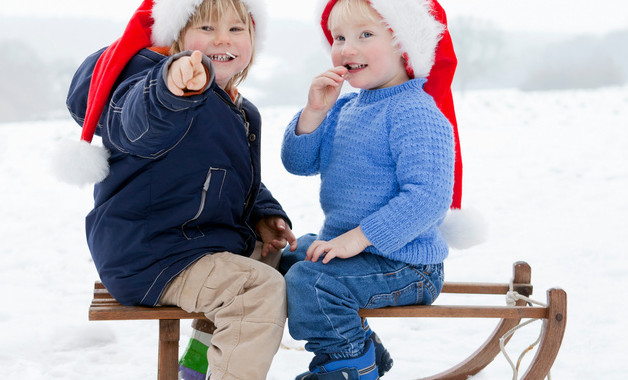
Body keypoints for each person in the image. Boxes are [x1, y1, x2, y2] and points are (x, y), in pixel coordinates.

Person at [60, 0, 296, 379]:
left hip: (196, 244)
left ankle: (199, 365)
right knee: (257, 290)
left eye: (236, 30)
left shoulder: (240, 110)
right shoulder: (161, 91)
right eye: (206, 29)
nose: (223, 39)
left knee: (273, 261)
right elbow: (138, 124)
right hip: (150, 254)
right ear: (176, 39)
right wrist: (168, 88)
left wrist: (264, 213)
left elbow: (236, 173)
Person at [279, 0, 472, 378]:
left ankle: (349, 365)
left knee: (310, 282)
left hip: (407, 263)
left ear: (404, 43)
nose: (347, 48)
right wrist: (314, 112)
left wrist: (359, 237)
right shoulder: (344, 107)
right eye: (339, 37)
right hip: (355, 252)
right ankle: (361, 343)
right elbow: (298, 163)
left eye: (365, 35)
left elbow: (428, 198)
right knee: (285, 260)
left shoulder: (415, 110)